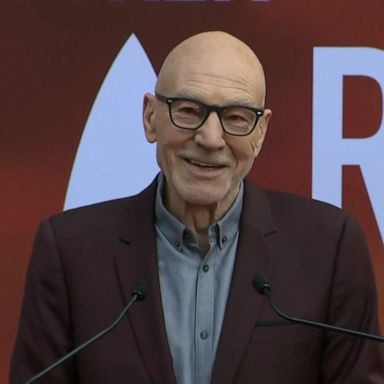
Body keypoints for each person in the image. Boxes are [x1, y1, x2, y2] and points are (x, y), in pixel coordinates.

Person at [10, 31, 384, 384]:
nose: (210, 138)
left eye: (236, 117)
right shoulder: (71, 250)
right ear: (150, 117)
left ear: (261, 132)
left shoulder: (328, 247)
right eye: (188, 110)